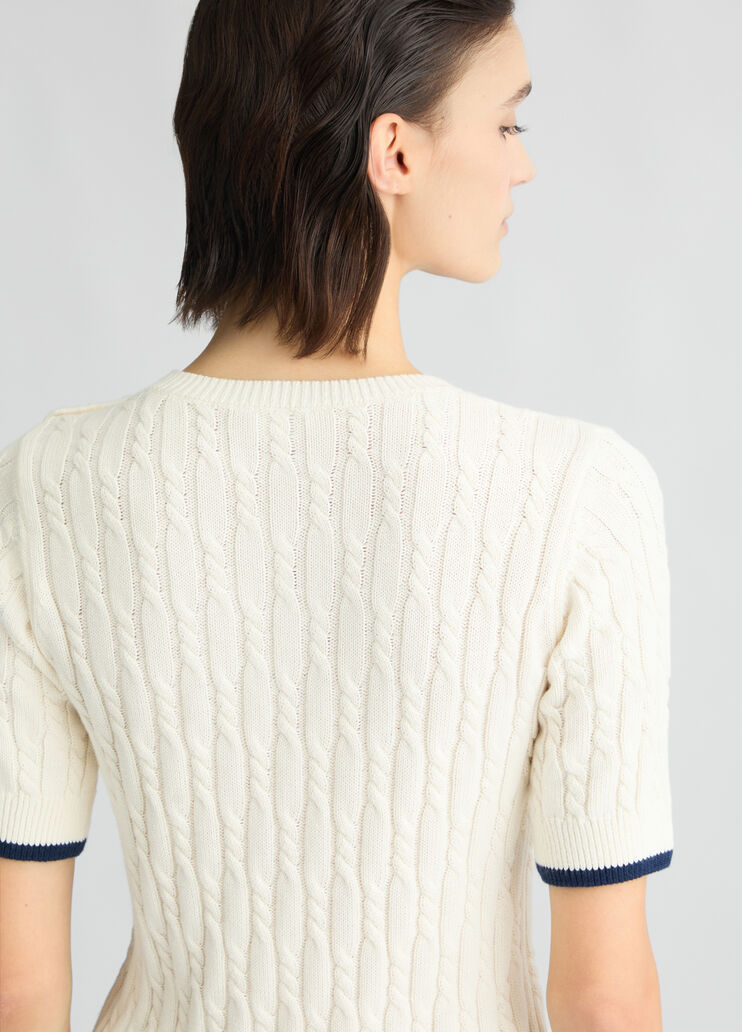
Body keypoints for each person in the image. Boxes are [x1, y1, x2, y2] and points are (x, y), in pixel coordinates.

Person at [0, 3, 673, 1031]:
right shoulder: (579, 496)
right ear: (394, 150)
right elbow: (604, 998)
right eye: (506, 124)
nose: (522, 165)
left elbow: (18, 987)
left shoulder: (49, 484)